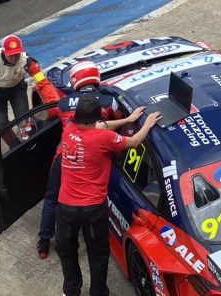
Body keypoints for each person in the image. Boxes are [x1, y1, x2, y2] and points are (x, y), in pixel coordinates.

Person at [36, 61, 145, 259]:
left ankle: (44, 242)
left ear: (75, 79)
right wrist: (128, 120)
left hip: (64, 155)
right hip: (94, 156)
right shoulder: (107, 101)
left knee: (52, 198)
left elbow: (49, 110)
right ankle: (96, 236)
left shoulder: (63, 103)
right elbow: (113, 122)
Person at [56, 95, 161, 296]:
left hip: (66, 208)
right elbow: (134, 141)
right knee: (98, 254)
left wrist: (127, 120)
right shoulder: (104, 138)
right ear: (96, 119)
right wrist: (145, 123)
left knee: (66, 251)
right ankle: (98, 292)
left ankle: (71, 291)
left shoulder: (68, 129)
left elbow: (101, 125)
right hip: (93, 209)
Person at [0, 35, 58, 130]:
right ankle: (14, 143)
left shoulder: (28, 62)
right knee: (1, 125)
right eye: (11, 55)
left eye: (17, 54)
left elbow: (42, 82)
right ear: (4, 51)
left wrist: (53, 103)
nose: (14, 58)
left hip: (17, 91)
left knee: (24, 122)